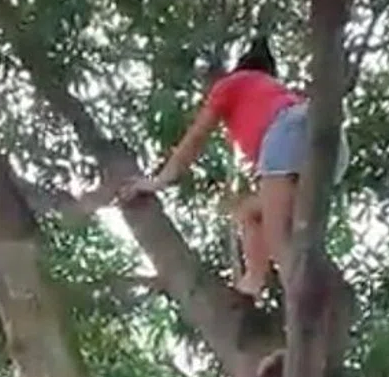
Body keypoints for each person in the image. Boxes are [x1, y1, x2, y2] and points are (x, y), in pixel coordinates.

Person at [119, 37, 348, 296]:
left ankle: (298, 305)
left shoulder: (231, 85)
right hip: (333, 147)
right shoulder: (277, 92)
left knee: (280, 241)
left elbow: (194, 139)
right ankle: (252, 283)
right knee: (251, 213)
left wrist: (157, 181)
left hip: (286, 133)